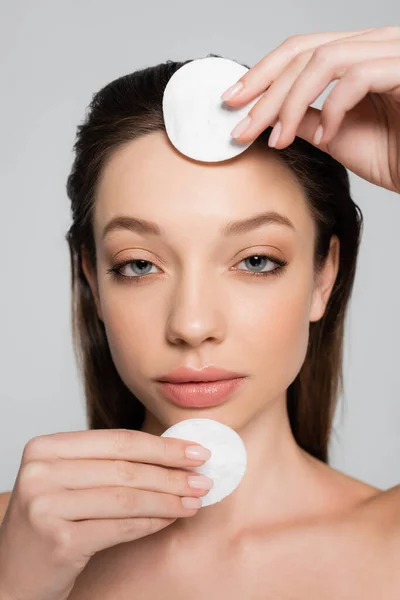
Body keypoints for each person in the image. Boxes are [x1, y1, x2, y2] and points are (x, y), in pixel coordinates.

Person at [0, 26, 399, 599]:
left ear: (323, 276)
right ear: (92, 279)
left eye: (256, 260)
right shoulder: (15, 544)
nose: (191, 326)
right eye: (138, 265)